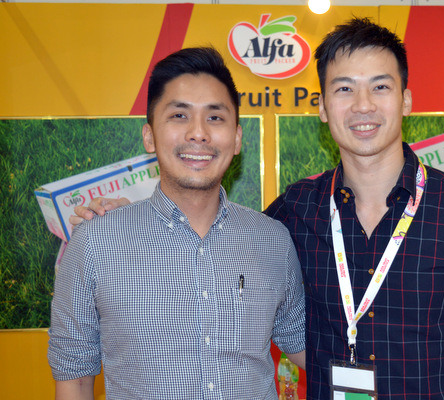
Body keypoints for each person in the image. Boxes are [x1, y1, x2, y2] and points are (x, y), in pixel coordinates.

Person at [73, 18, 444, 399]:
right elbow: (217, 229)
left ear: (406, 100)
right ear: (322, 107)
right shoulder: (295, 212)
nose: (363, 106)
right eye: (344, 89)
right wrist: (129, 218)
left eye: (380, 87)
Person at [49, 47, 305, 399]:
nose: (198, 133)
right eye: (179, 115)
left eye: (215, 117)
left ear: (237, 139)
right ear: (149, 136)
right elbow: (74, 377)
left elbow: (308, 348)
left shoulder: (273, 240)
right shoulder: (95, 241)